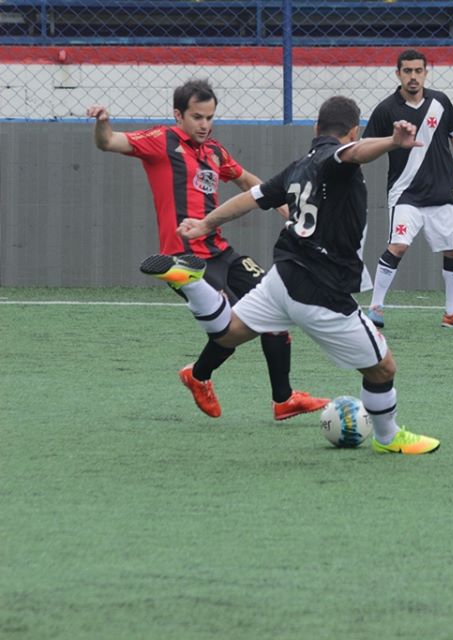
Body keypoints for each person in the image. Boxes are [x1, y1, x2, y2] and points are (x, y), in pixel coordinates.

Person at [142, 96, 440, 454]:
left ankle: (194, 284)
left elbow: (250, 198)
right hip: (321, 288)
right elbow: (355, 153)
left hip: (282, 277)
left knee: (228, 333)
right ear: (353, 131)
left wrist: (205, 224)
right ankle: (388, 437)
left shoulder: (298, 167)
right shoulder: (336, 158)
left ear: (316, 128)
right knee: (382, 368)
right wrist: (392, 141)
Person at [86, 79, 327, 421]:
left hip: (221, 251)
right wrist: (102, 123)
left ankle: (283, 400)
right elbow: (108, 142)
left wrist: (288, 211)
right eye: (197, 117)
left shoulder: (214, 151)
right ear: (178, 115)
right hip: (186, 260)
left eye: (210, 117)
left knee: (274, 306)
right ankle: (199, 375)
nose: (204, 125)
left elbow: (247, 182)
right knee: (232, 325)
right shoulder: (161, 141)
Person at [363, 48, 453, 329]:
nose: (413, 76)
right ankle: (375, 308)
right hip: (405, 193)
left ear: (426, 73)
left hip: (442, 192)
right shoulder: (386, 109)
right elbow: (366, 145)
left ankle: (451, 314)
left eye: (418, 71)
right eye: (407, 71)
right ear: (398, 74)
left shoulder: (441, 102)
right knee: (398, 246)